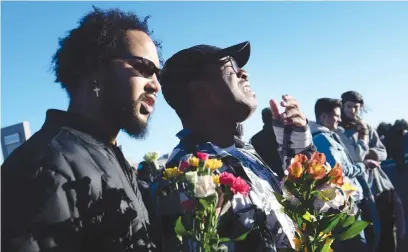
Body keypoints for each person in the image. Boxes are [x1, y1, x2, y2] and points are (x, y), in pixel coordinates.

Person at [1, 7, 162, 252]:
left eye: (158, 74)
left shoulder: (106, 153)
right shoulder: (45, 168)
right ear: (96, 69)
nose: (156, 85)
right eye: (144, 68)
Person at [157, 41, 316, 251]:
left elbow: (302, 211)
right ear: (201, 92)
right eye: (230, 67)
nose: (244, 74)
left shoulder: (244, 153)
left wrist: (297, 149)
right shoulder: (188, 174)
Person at [337, 91, 403, 252]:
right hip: (357, 189)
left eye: (356, 107)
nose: (352, 111)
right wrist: (363, 140)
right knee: (367, 231)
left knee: (388, 225)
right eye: (349, 106)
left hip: (378, 185)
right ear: (342, 106)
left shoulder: (366, 127)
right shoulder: (338, 131)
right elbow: (354, 157)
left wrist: (372, 154)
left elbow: (382, 151)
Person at [310, 98, 375, 252]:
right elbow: (339, 170)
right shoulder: (322, 139)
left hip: (348, 199)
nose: (339, 119)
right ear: (324, 117)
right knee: (358, 246)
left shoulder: (329, 136)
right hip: (345, 202)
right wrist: (363, 166)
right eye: (336, 116)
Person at [250, 108, 283, 178]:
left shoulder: (255, 139)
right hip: (285, 175)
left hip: (266, 177)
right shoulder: (284, 135)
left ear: (263, 119)